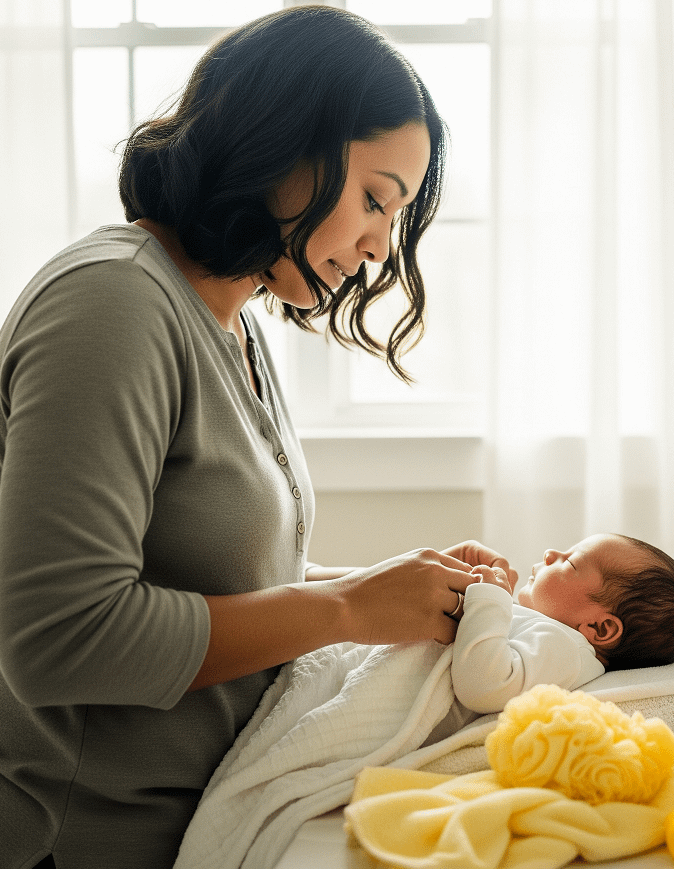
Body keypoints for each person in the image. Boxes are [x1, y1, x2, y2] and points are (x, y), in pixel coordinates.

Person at [0, 7, 515, 869]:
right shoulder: (113, 304)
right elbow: (61, 635)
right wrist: (349, 609)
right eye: (375, 199)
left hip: (213, 821)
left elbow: (220, 579)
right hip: (83, 840)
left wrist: (399, 587)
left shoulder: (235, 319)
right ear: (282, 144)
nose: (383, 245)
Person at [430, 533, 674, 736]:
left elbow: (485, 686)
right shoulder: (549, 632)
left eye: (569, 563)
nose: (550, 553)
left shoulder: (567, 647)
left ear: (599, 628)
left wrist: (490, 600)